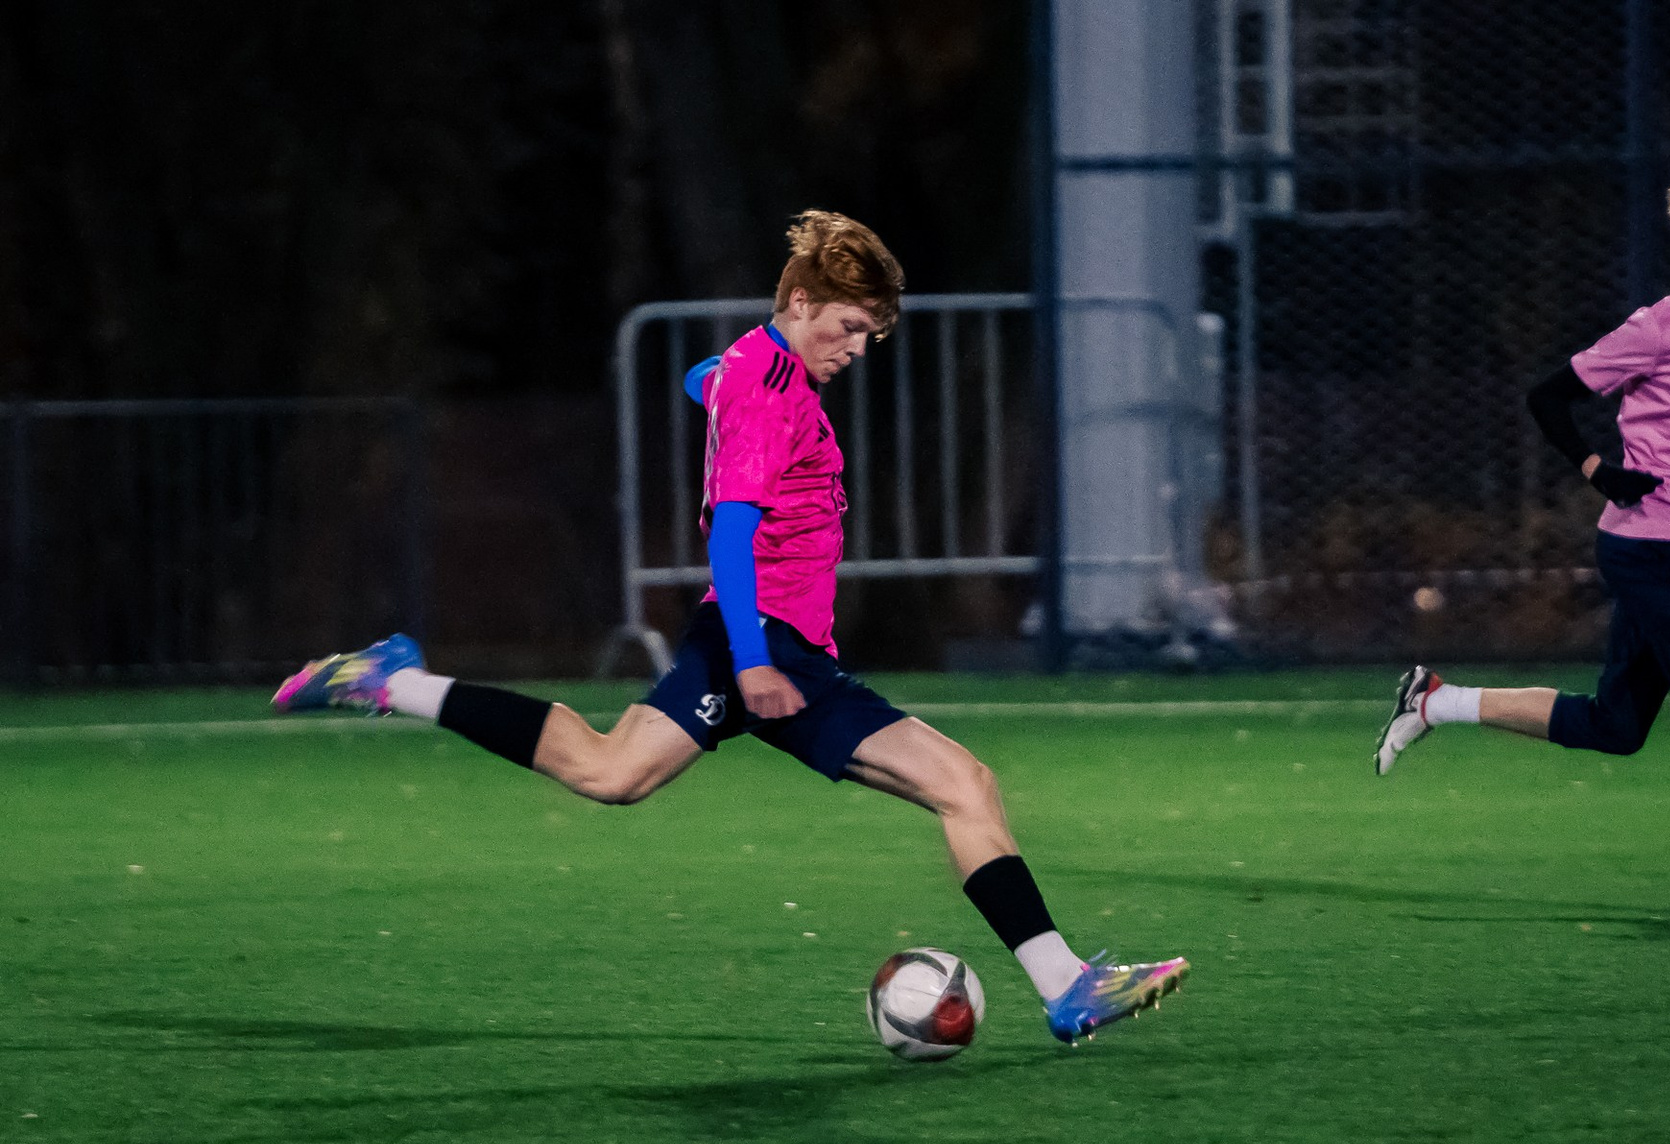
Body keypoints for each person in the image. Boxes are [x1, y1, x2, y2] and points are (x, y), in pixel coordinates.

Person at [274, 209, 1189, 1038]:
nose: (857, 348)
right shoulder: (768, 391)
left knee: (611, 771)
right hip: (768, 647)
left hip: (761, 644)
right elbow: (730, 533)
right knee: (964, 784)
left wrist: (715, 384)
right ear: (801, 301)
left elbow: (702, 377)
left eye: (869, 334)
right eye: (849, 326)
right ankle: (1066, 985)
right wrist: (753, 661)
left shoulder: (751, 370)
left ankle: (395, 681)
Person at [1373, 171, 1670, 920]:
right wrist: (1598, 470)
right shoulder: (1658, 327)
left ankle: (1436, 701)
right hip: (1643, 543)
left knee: (1616, 727)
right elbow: (1547, 397)